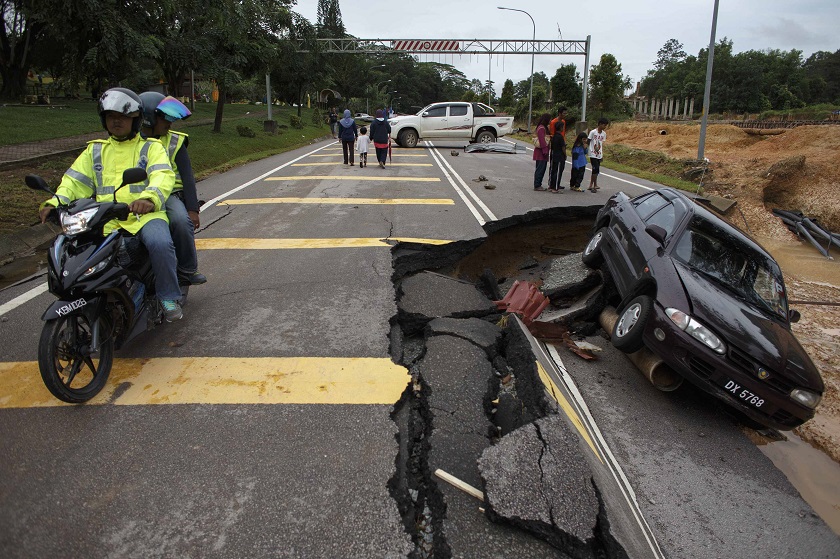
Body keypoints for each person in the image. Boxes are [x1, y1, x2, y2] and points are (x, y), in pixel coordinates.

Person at [38, 87, 183, 322]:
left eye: (123, 117)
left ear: (136, 120)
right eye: (111, 116)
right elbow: (74, 181)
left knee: (160, 243)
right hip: (103, 218)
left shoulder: (151, 148)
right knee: (75, 251)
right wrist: (55, 202)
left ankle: (168, 296)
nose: (117, 121)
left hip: (144, 216)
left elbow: (162, 176)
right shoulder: (94, 150)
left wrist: (148, 198)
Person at [139, 92, 206, 286]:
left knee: (181, 221)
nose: (170, 123)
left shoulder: (175, 140)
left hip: (169, 195)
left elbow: (187, 176)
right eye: (165, 118)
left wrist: (192, 209)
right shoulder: (131, 141)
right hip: (135, 195)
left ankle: (187, 270)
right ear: (149, 118)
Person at [548, 106, 568, 193]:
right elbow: (552, 134)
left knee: (560, 167)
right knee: (554, 167)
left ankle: (556, 183)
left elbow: (564, 134)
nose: (565, 115)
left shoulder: (563, 122)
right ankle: (552, 184)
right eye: (563, 113)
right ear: (559, 113)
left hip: (561, 142)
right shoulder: (553, 122)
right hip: (556, 146)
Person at [587, 117, 609, 192]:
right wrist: (588, 150)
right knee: (595, 168)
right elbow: (588, 141)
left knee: (597, 170)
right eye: (604, 125)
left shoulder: (604, 134)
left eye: (605, 125)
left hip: (599, 153)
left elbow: (601, 144)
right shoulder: (593, 132)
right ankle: (591, 184)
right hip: (592, 153)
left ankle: (595, 184)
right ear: (600, 124)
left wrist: (601, 154)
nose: (605, 127)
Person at [532, 113, 552, 191]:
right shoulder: (541, 128)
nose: (550, 121)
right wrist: (545, 150)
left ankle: (538, 184)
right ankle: (537, 185)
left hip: (543, 152)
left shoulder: (544, 127)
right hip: (541, 152)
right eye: (549, 119)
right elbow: (542, 141)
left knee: (542, 168)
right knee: (540, 169)